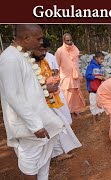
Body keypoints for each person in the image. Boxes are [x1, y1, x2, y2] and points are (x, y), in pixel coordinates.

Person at [0, 24, 64, 180]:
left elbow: (27, 88)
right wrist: (35, 125)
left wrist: (45, 89)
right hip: (29, 125)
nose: (41, 42)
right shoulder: (9, 58)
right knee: (31, 163)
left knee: (43, 160)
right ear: (26, 38)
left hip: (38, 118)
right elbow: (13, 95)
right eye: (39, 38)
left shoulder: (23, 55)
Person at [31, 41, 82, 161]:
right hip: (38, 104)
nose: (44, 53)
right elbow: (29, 87)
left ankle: (59, 151)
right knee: (54, 126)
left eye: (45, 50)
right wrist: (45, 86)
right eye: (41, 50)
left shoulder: (44, 61)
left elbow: (51, 75)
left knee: (59, 124)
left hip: (52, 99)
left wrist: (54, 81)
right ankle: (56, 153)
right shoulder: (28, 65)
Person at [42, 37, 73, 125]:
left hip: (55, 87)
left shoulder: (51, 56)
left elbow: (56, 70)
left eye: (46, 50)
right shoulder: (34, 58)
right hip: (44, 91)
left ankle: (66, 125)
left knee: (62, 110)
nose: (44, 52)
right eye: (43, 49)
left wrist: (54, 79)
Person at [55, 33, 85, 119]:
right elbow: (56, 65)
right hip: (65, 77)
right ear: (64, 41)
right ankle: (68, 114)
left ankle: (76, 111)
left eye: (70, 40)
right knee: (67, 96)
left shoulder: (75, 49)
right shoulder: (59, 51)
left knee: (76, 95)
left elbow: (76, 63)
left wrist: (79, 74)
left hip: (75, 76)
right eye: (67, 40)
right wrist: (57, 78)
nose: (69, 42)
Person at [85, 52, 105, 121]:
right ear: (96, 58)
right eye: (101, 59)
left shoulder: (100, 67)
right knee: (93, 103)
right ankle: (94, 118)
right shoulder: (91, 66)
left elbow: (100, 76)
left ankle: (100, 116)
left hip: (99, 88)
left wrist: (102, 78)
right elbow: (87, 76)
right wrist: (97, 77)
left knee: (100, 102)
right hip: (92, 89)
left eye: (103, 59)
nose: (102, 60)